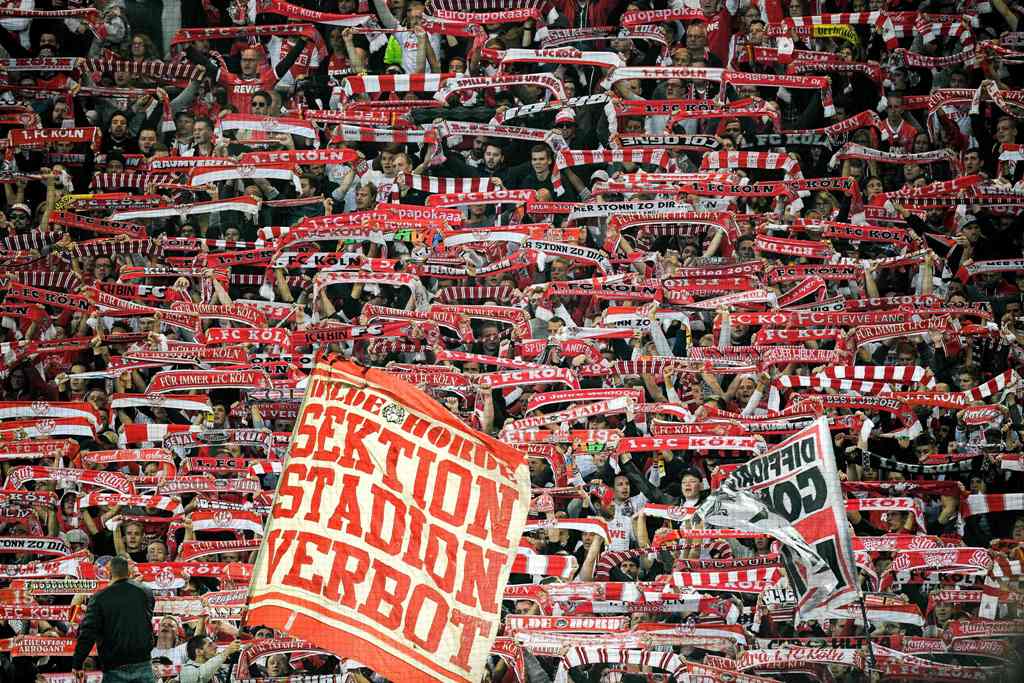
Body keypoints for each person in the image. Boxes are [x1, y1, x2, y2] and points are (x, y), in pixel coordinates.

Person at [72, 556, 156, 682]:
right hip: (143, 663)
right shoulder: (146, 592)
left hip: (114, 667)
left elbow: (88, 633)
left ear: (108, 573)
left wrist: (77, 663)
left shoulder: (99, 598)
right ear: (128, 573)